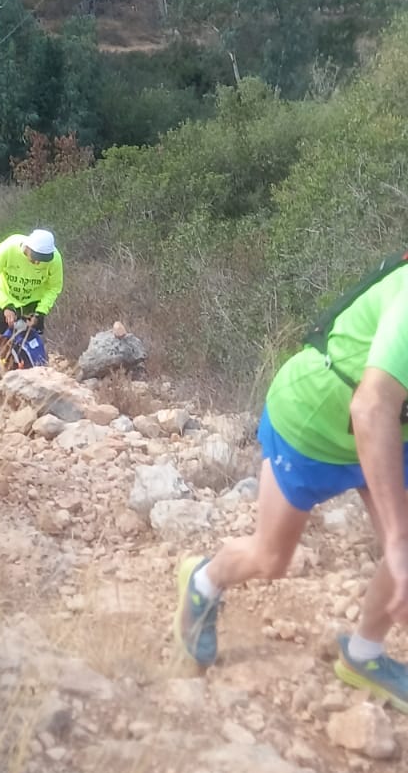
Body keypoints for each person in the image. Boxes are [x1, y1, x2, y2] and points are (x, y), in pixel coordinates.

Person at [174, 255, 408, 710]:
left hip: (391, 432)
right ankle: (204, 582)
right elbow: (371, 406)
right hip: (313, 418)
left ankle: (364, 654)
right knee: (271, 558)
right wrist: (395, 541)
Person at [0, 229, 63, 338]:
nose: (37, 263)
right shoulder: (8, 248)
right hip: (5, 297)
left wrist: (40, 312)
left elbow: (54, 287)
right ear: (28, 247)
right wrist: (5, 304)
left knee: (30, 338)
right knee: (1, 333)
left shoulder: (55, 260)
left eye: (43, 260)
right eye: (35, 257)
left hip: (33, 303)